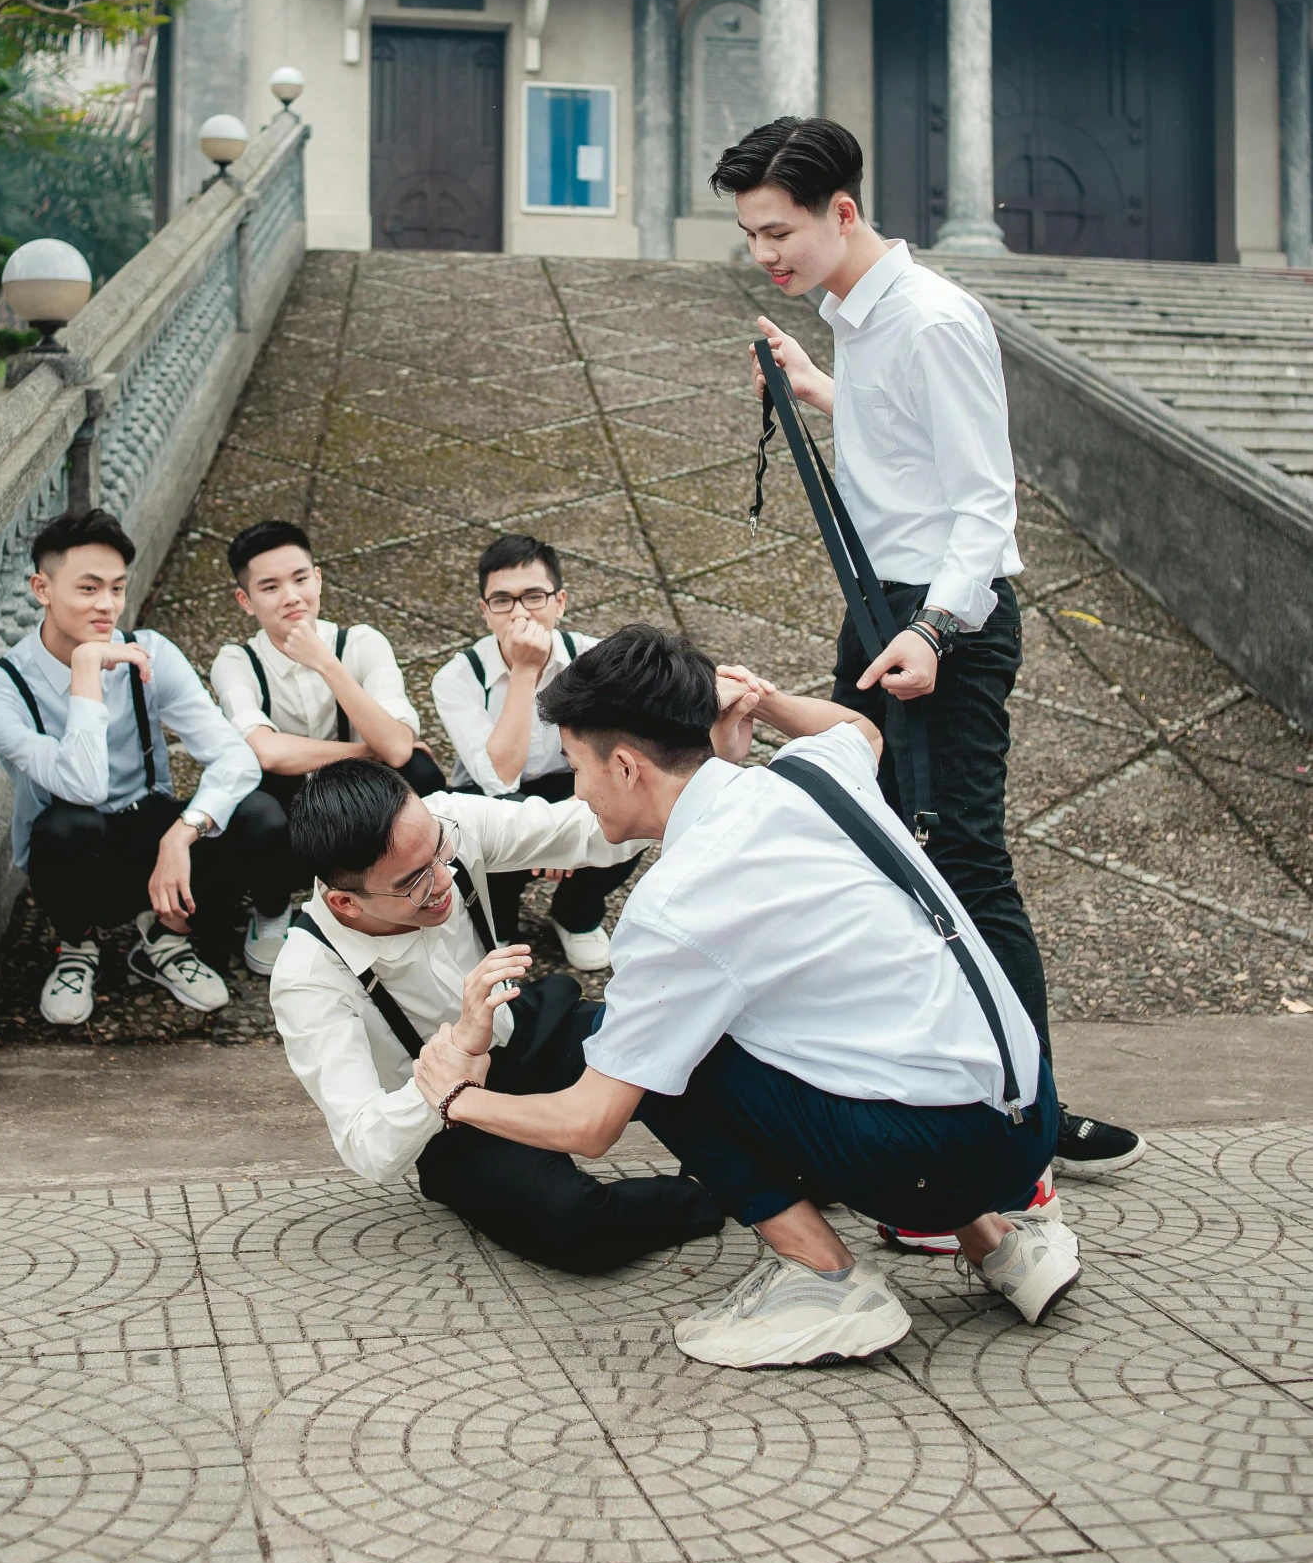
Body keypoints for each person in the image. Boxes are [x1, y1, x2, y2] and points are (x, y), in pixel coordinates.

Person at [414, 628, 1082, 1369]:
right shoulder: (809, 772)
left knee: (655, 1052)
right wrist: (762, 702)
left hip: (934, 1161)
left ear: (628, 765)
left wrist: (454, 1099)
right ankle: (1002, 1247)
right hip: (1030, 1119)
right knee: (825, 1022)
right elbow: (857, 728)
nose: (576, 789)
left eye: (576, 766)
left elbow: (592, 1120)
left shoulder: (678, 903)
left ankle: (827, 1278)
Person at [706, 117, 1144, 1213]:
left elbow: (984, 504)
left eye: (779, 231)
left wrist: (935, 632)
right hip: (884, 611)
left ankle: (1029, 1118)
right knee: (886, 851)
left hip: (948, 621)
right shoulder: (858, 314)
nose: (767, 254)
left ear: (841, 212)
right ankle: (941, 1084)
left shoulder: (936, 317)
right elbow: (906, 441)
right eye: (753, 235)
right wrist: (814, 386)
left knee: (965, 859)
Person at [271, 758, 724, 1272]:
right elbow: (367, 1145)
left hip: (529, 1032)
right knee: (571, 1223)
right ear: (345, 903)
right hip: (448, 1115)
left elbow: (589, 831)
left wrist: (691, 761)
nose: (442, 878)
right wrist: (458, 1051)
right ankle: (707, 1197)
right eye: (415, 881)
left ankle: (754, 1174)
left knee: (690, 1046)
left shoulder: (446, 824)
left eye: (441, 850)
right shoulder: (309, 975)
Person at [0, 508, 271, 1025]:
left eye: (116, 589)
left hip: (148, 832)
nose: (107, 606)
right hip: (74, 857)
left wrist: (181, 836)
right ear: (43, 589)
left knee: (255, 814)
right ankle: (75, 946)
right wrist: (86, 668)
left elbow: (238, 758)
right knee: (65, 826)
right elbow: (82, 786)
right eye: (88, 589)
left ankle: (164, 937)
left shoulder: (151, 653)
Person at [210, 520, 447, 974]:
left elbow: (399, 749)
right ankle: (272, 909)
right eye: (271, 586)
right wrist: (367, 750)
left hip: (355, 805)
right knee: (253, 809)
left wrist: (325, 662)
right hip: (283, 810)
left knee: (421, 773)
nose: (291, 596)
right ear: (246, 600)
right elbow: (268, 753)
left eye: (301, 578)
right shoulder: (236, 661)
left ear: (318, 578)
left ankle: (403, 889)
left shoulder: (360, 643)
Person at [431, 533, 640, 974]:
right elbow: (499, 778)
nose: (520, 612)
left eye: (533, 596)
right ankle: (496, 922)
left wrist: (564, 825)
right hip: (495, 794)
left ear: (559, 602)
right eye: (503, 601)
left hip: (577, 784)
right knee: (480, 830)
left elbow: (621, 753)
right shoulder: (456, 678)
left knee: (641, 798)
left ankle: (576, 913)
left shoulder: (595, 657)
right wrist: (525, 670)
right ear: (484, 612)